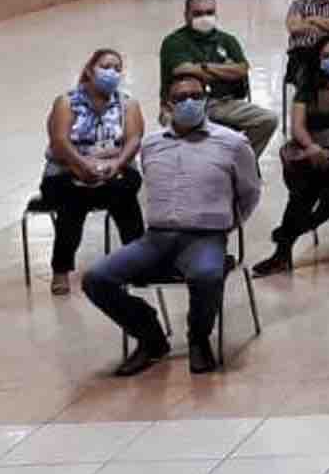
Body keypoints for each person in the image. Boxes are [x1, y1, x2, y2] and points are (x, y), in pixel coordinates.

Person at [83, 68, 261, 377]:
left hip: (205, 237)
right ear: (167, 105)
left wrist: (226, 222)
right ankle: (150, 337)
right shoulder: (151, 145)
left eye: (196, 96)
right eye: (181, 98)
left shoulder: (233, 143)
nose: (189, 102)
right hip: (155, 239)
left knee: (206, 275)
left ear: (206, 100)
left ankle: (198, 339)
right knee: (96, 278)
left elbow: (250, 192)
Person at [250, 34, 329, 277]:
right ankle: (282, 254)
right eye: (326, 56)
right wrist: (311, 146)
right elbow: (297, 127)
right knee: (302, 193)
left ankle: (289, 234)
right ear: (318, 62)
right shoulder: (308, 87)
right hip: (314, 158)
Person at [39, 48, 146, 295]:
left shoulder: (127, 104)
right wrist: (83, 166)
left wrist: (116, 165)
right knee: (72, 202)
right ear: (89, 70)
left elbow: (133, 140)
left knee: (126, 196)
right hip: (67, 171)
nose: (112, 73)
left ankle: (139, 264)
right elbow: (60, 142)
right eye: (106, 67)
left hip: (113, 170)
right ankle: (61, 269)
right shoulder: (66, 102)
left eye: (117, 68)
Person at [157, 0, 277, 156]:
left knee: (268, 120)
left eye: (209, 12)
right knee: (178, 132)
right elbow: (182, 70)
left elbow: (242, 69)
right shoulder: (174, 41)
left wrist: (203, 67)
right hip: (183, 103)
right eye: (198, 14)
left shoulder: (227, 40)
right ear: (186, 15)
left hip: (223, 103)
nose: (204, 17)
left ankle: (237, 161)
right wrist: (225, 70)